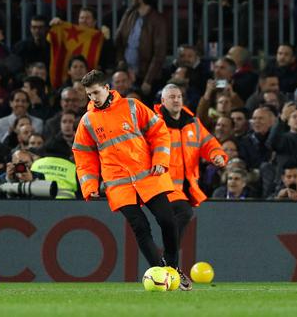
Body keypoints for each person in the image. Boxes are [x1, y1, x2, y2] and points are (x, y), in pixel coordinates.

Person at [71, 70, 190, 290]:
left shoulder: (132, 106)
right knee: (140, 227)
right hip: (119, 184)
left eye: (96, 92)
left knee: (168, 221)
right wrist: (89, 185)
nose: (93, 98)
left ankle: (173, 268)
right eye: (89, 95)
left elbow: (159, 132)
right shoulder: (87, 121)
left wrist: (161, 159)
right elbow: (83, 155)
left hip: (148, 176)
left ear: (107, 88)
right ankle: (161, 275)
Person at [154, 84, 227, 264]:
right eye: (172, 97)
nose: (176, 100)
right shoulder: (155, 124)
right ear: (163, 101)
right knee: (184, 213)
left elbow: (208, 143)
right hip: (162, 185)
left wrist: (217, 155)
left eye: (179, 96)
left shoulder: (193, 123)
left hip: (186, 188)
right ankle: (169, 258)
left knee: (178, 219)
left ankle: (168, 261)